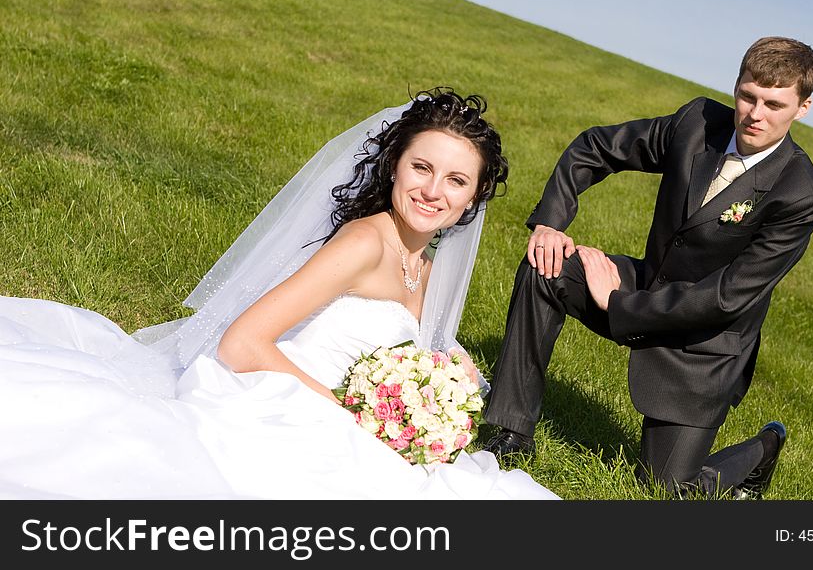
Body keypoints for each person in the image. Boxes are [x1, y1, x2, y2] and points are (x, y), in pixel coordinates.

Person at [0, 88, 558, 500]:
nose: (433, 191)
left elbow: (430, 348)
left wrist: (444, 392)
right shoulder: (365, 242)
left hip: (340, 414)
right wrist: (352, 414)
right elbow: (241, 345)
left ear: (474, 197)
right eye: (421, 167)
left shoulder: (427, 270)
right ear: (394, 166)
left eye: (456, 181)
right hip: (277, 403)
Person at [483, 37, 813, 498]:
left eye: (774, 104)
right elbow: (595, 147)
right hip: (647, 285)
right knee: (545, 268)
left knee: (664, 492)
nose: (755, 114)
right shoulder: (696, 124)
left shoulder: (800, 195)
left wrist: (619, 302)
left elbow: (726, 297)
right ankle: (512, 432)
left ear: (802, 108)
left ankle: (763, 448)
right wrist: (549, 222)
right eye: (747, 95)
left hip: (703, 347)